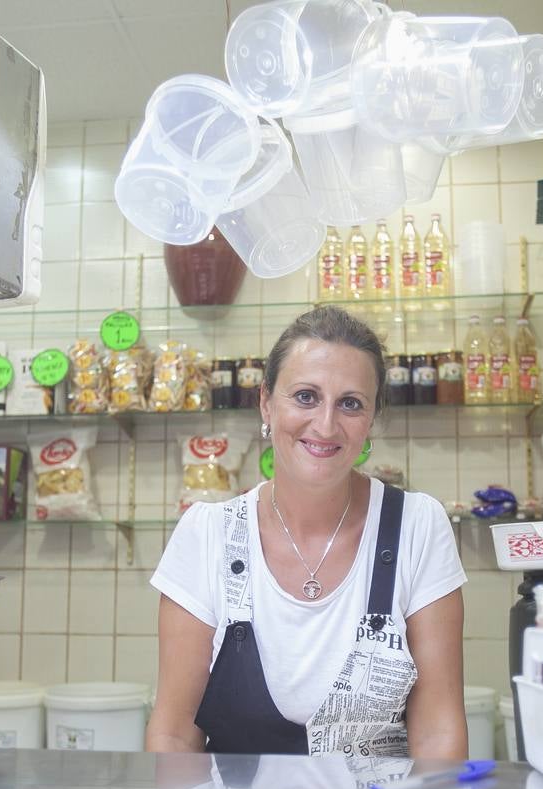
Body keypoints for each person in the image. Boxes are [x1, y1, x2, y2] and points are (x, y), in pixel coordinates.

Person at [147, 306, 468, 758]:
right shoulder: (206, 535)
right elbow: (174, 733)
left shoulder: (416, 526)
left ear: (372, 417)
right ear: (265, 402)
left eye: (351, 403)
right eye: (305, 396)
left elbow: (438, 730)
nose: (325, 425)